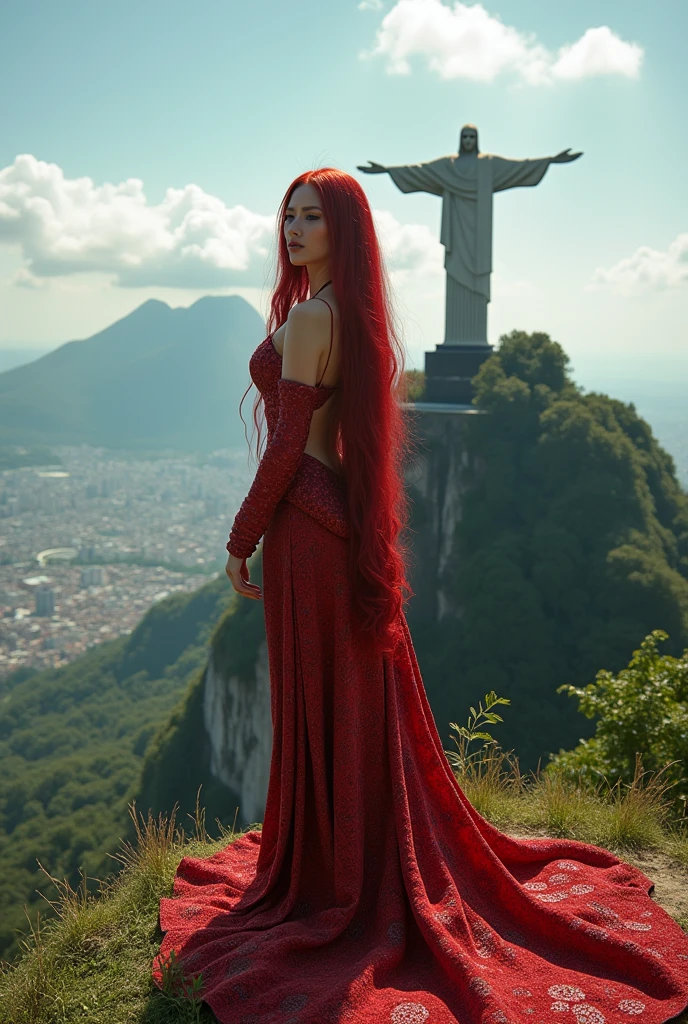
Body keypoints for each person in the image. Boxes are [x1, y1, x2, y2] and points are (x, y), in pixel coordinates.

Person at [152, 169, 688, 1024]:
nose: (293, 228)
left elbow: (289, 445)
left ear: (344, 230)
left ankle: (332, 872)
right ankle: (354, 858)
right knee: (351, 695)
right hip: (340, 528)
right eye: (288, 214)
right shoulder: (349, 315)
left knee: (317, 697)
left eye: (312, 216)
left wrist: (240, 536)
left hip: (302, 531)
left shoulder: (310, 321)